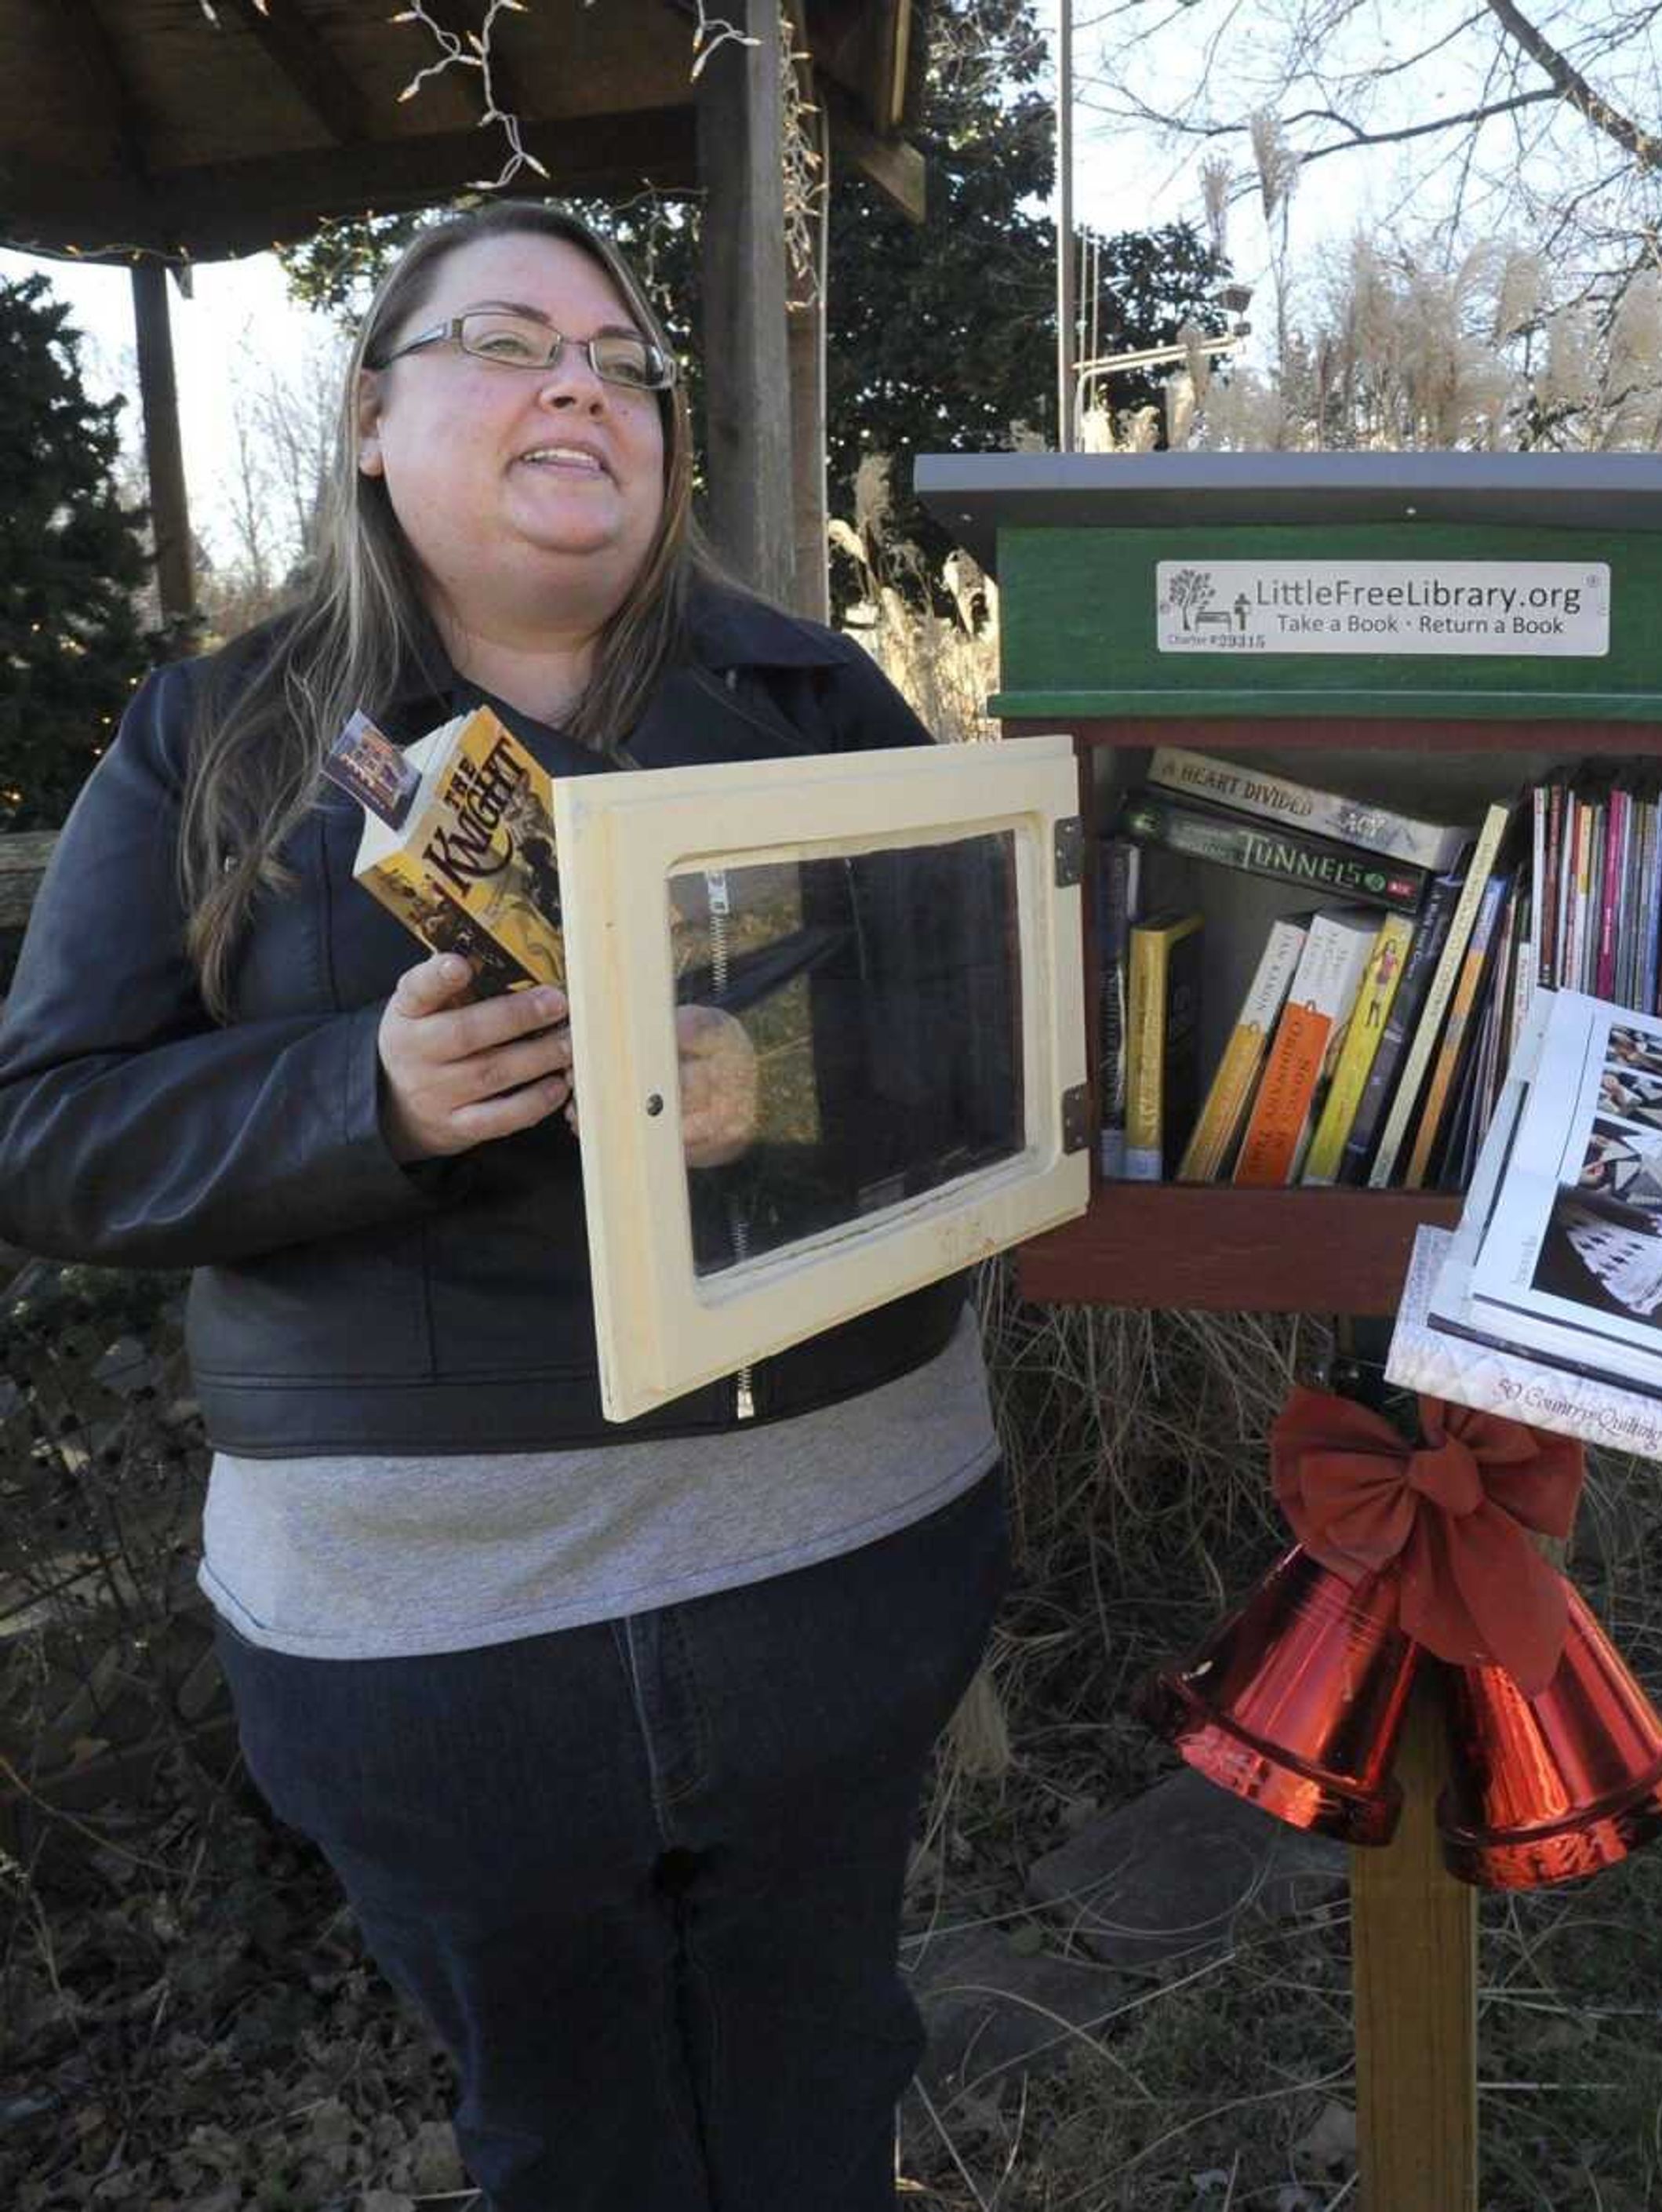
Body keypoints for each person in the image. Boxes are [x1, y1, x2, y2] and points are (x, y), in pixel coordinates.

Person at [0, 206, 1011, 2211]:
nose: (584, 382)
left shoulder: (817, 706)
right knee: (567, 2139)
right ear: (372, 419)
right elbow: (46, 1130)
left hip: (840, 1564)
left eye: (627, 363)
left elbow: (979, 1048)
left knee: (821, 2083)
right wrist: (346, 1097)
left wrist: (785, 1096)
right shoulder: (212, 742)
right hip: (437, 1651)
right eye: (511, 341)